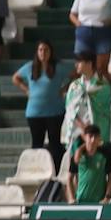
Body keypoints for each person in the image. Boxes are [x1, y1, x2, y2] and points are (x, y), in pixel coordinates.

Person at [12, 40, 67, 169]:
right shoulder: (30, 67)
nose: (43, 53)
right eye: (40, 50)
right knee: (37, 144)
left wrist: (64, 88)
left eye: (46, 50)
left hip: (55, 111)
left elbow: (75, 74)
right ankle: (36, 169)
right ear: (37, 52)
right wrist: (26, 89)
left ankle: (56, 170)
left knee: (55, 144)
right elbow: (15, 78)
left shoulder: (58, 67)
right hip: (34, 113)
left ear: (50, 52)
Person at [67, 124, 111, 205]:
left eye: (96, 137)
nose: (93, 140)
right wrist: (71, 197)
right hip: (80, 200)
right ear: (84, 137)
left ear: (99, 138)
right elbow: (69, 178)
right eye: (90, 136)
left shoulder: (105, 155)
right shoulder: (78, 156)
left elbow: (110, 177)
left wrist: (107, 197)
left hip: (99, 202)